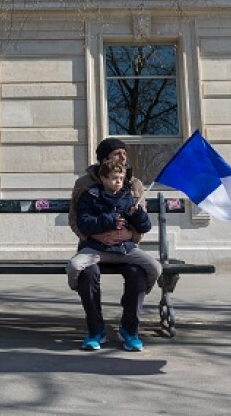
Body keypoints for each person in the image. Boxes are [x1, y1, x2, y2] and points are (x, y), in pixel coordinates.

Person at [67, 137, 161, 352]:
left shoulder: (133, 184)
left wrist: (130, 235)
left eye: (124, 153)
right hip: (94, 246)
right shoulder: (85, 185)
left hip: (126, 247)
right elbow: (75, 219)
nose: (123, 156)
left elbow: (141, 220)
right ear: (104, 158)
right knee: (86, 275)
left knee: (138, 274)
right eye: (117, 153)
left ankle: (129, 329)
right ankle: (95, 330)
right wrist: (97, 237)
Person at [66, 158, 161, 295]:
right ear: (103, 178)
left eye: (121, 178)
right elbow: (83, 223)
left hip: (125, 249)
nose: (119, 182)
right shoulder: (90, 196)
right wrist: (109, 220)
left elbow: (145, 227)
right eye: (115, 178)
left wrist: (138, 215)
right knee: (74, 266)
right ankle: (77, 288)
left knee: (156, 268)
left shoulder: (128, 197)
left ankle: (145, 290)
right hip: (97, 249)